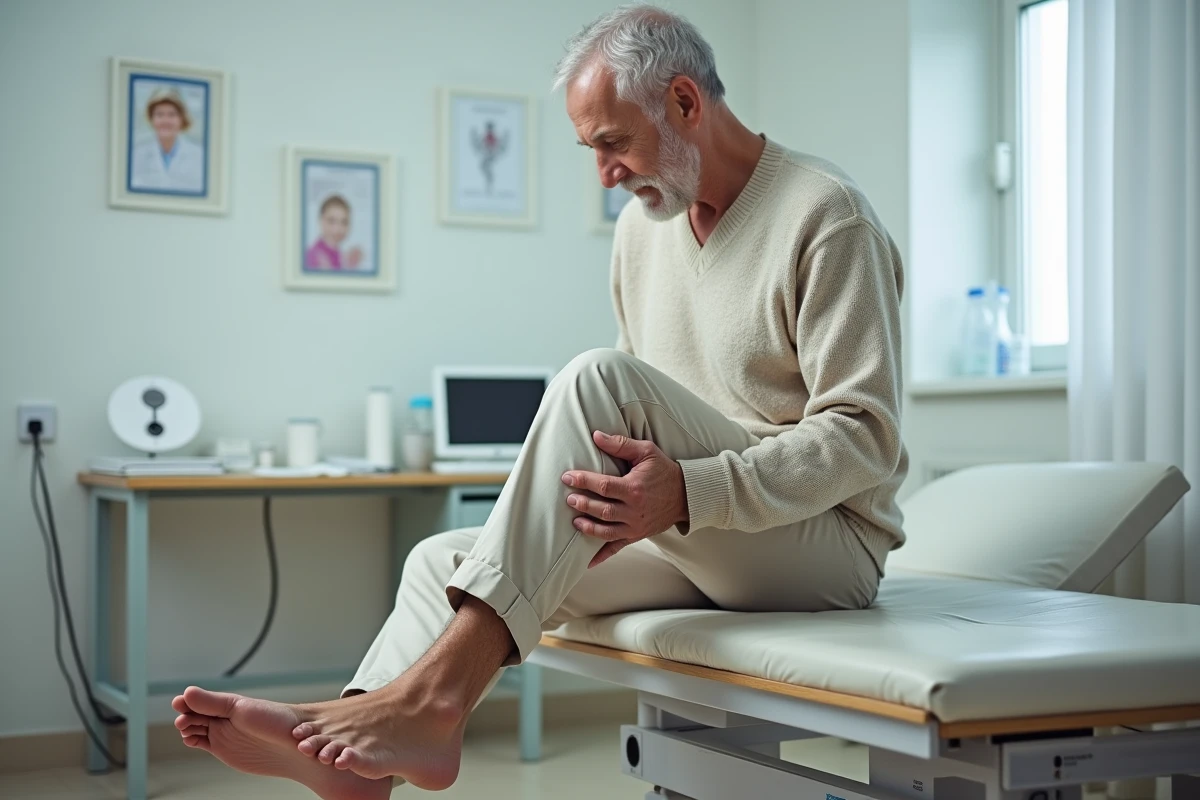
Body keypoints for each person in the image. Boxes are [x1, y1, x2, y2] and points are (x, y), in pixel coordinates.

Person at [170, 5, 907, 798]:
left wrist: (690, 491)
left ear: (685, 102)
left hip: (820, 548)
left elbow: (863, 435)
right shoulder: (642, 233)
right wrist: (617, 510)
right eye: (592, 151)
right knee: (440, 563)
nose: (605, 174)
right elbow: (645, 421)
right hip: (702, 533)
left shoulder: (826, 216)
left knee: (597, 378)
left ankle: (431, 704)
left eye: (614, 143)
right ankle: (357, 757)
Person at [129, 85, 206, 194]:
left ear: (182, 119)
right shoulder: (136, 154)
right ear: (151, 118)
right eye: (159, 114)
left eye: (172, 115)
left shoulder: (200, 155)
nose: (165, 120)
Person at [306, 195, 364, 271]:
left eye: (344, 222)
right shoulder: (312, 257)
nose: (337, 228)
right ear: (320, 221)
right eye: (331, 221)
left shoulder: (340, 257)